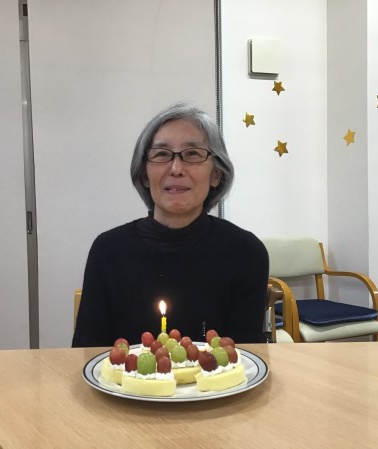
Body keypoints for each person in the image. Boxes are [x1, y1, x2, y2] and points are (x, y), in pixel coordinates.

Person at [72, 102, 269, 347]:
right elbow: (87, 354)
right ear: (144, 174)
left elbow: (247, 358)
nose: (176, 169)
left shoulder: (246, 253)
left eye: (193, 154)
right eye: (161, 154)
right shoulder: (108, 250)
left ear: (216, 174)